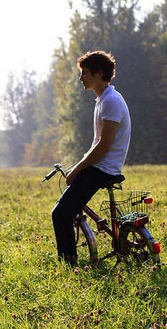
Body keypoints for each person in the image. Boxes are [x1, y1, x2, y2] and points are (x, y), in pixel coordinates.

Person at [51, 50, 131, 265]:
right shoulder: (104, 100)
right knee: (68, 207)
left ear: (98, 74)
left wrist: (77, 170)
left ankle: (69, 265)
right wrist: (78, 165)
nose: (81, 78)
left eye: (84, 73)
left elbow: (104, 147)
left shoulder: (110, 102)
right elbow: (98, 144)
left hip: (103, 168)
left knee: (60, 214)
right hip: (101, 165)